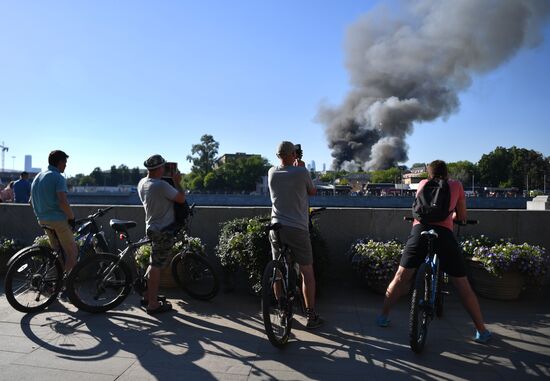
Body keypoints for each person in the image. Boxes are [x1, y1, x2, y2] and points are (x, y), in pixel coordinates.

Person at [376, 160, 492, 343]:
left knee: (400, 276)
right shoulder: (456, 185)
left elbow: (418, 209)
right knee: (462, 285)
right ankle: (481, 330)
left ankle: (383, 315)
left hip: (419, 231)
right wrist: (452, 217)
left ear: (428, 174)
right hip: (443, 235)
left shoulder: (422, 184)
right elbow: (461, 216)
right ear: (447, 173)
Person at [268, 141, 322, 329]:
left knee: (278, 270)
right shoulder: (301, 172)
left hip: (276, 227)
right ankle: (311, 315)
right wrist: (302, 166)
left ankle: (282, 311)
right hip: (297, 228)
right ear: (293, 154)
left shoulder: (271, 172)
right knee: (307, 271)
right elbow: (312, 191)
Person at [138, 154, 186, 315]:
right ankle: (153, 304)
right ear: (159, 169)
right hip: (163, 230)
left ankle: (147, 295)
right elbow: (180, 199)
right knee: (156, 266)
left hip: (151, 227)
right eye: (164, 167)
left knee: (153, 261)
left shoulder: (142, 183)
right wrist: (178, 183)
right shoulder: (161, 186)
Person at [30, 150, 78, 272]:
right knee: (72, 252)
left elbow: (31, 201)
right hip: (58, 221)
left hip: (42, 220)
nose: (66, 165)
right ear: (60, 162)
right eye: (65, 162)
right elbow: (62, 201)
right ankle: (67, 286)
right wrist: (71, 218)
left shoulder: (37, 177)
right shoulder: (58, 177)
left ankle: (56, 282)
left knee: (57, 254)